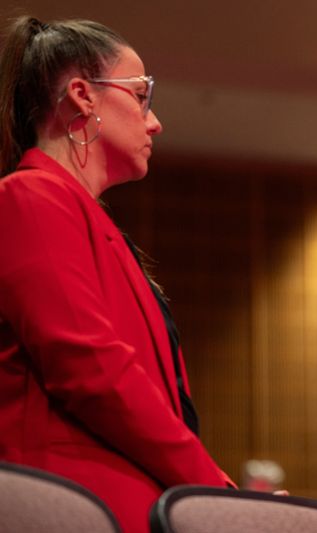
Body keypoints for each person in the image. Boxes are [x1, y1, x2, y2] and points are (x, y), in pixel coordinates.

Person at [0, 16, 232, 532]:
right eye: (141, 95)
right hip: (68, 503)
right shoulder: (29, 197)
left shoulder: (88, 220)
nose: (155, 122)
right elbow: (91, 370)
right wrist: (209, 487)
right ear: (82, 95)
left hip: (124, 501)